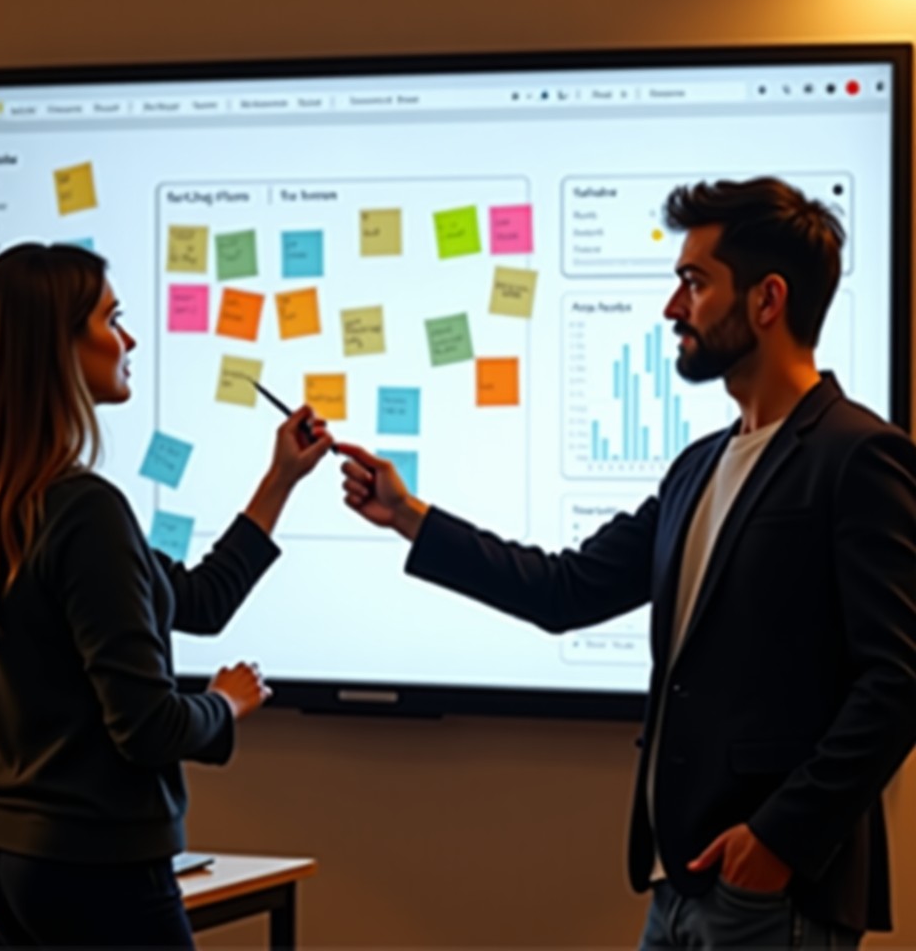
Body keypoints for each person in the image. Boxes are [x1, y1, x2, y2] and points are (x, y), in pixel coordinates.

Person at [338, 177, 916, 949]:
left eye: (694, 283)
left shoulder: (857, 457)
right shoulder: (697, 468)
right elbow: (565, 590)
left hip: (774, 894)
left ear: (767, 300)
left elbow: (899, 682)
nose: (673, 309)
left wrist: (777, 840)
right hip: (674, 886)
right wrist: (408, 517)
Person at [0, 243, 334, 947]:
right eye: (112, 319)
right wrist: (225, 702)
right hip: (97, 870)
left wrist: (280, 480)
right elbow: (148, 728)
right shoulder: (84, 510)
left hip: (11, 864)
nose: (129, 339)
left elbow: (198, 599)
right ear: (59, 347)